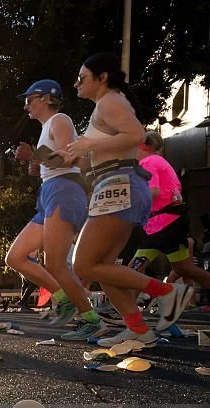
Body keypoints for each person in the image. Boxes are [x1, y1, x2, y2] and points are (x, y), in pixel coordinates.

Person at [60, 54, 190, 347]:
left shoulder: (110, 102)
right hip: (114, 184)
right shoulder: (104, 107)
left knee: (83, 265)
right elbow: (108, 150)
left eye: (81, 77)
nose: (76, 83)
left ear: (102, 77)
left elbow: (135, 135)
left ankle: (167, 293)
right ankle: (139, 329)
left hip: (120, 185)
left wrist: (90, 144)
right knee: (103, 267)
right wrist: (75, 156)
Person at [7, 79, 103, 340]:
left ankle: (92, 319)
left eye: (30, 99)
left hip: (64, 190)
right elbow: (50, 163)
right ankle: (65, 298)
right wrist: (34, 165)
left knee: (56, 264)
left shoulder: (60, 119)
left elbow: (68, 158)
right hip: (50, 191)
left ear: (47, 98)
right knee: (14, 258)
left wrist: (35, 155)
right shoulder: (45, 128)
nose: (26, 105)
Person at [128, 131, 210, 291]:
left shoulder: (149, 162)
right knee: (184, 268)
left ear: (142, 147)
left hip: (160, 225)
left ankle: (130, 309)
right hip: (172, 221)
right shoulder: (163, 163)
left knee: (134, 269)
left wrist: (128, 202)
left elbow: (153, 191)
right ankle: (132, 307)